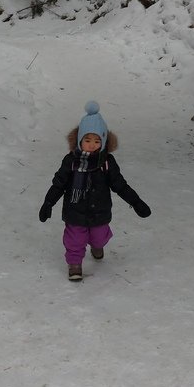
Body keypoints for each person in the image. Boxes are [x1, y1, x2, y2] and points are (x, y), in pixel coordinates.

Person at [39, 100, 151, 281]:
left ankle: (97, 246)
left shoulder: (107, 163)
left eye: (97, 141)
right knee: (75, 239)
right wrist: (48, 202)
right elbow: (59, 183)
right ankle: (75, 263)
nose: (92, 145)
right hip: (74, 210)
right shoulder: (71, 161)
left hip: (100, 210)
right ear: (79, 140)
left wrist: (136, 202)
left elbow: (120, 185)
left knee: (99, 237)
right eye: (87, 140)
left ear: (104, 141)